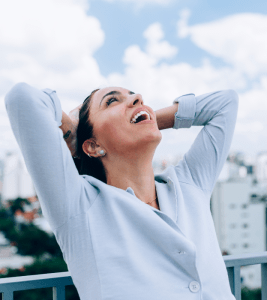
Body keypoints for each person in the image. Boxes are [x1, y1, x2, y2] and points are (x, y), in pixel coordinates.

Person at [5, 82, 239, 300]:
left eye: (134, 96)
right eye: (111, 101)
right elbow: (21, 99)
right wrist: (72, 132)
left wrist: (147, 118)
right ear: (93, 146)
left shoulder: (189, 184)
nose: (138, 97)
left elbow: (225, 103)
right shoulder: (80, 207)